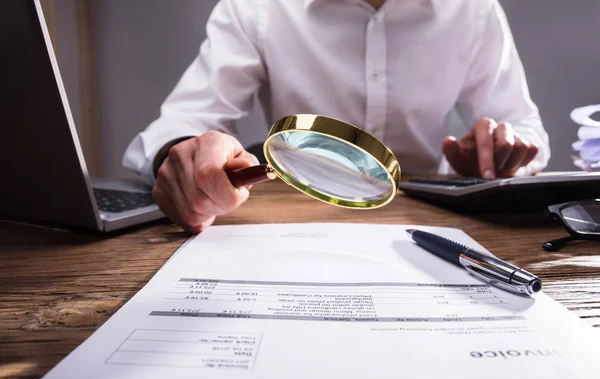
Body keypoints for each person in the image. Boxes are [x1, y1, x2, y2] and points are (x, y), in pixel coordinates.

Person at [123, 0, 550, 234]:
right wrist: (184, 156)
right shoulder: (256, 8)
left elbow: (526, 129)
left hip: (436, 221)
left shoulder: (473, 10)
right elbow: (180, 124)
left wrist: (495, 159)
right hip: (294, 224)